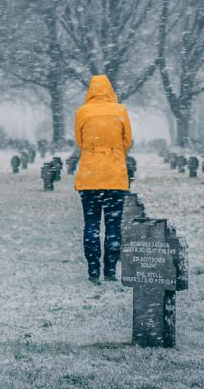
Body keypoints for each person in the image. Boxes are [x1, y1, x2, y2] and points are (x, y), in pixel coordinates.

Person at [73, 75, 132, 282]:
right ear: (109, 90)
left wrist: (94, 151)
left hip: (90, 178)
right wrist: (112, 151)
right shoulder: (120, 111)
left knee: (91, 224)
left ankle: (93, 271)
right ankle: (110, 271)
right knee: (113, 225)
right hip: (115, 177)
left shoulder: (82, 112)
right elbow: (127, 141)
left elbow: (80, 142)